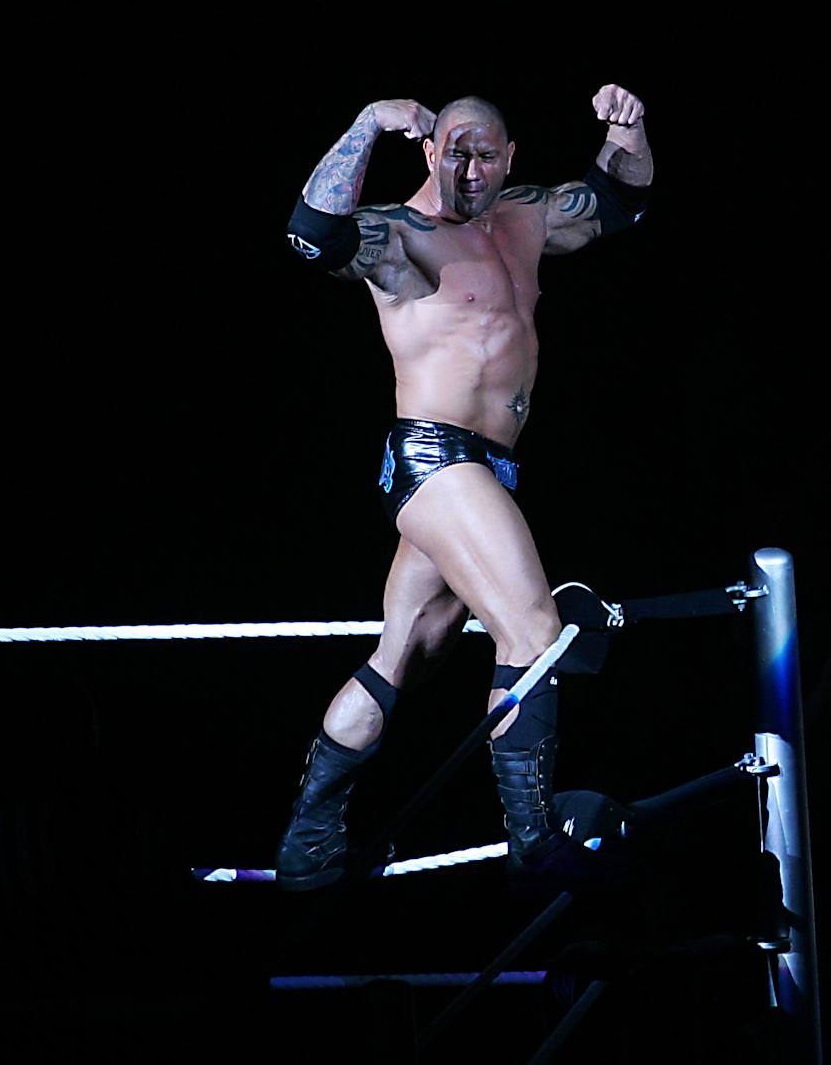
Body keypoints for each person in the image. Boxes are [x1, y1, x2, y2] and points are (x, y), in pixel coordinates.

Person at [274, 87, 654, 890]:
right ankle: (533, 841)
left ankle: (309, 842)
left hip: (486, 464)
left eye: (485, 155)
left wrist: (631, 127)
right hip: (436, 459)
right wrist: (366, 122)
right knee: (535, 632)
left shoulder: (525, 217)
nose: (469, 170)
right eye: (454, 151)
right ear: (430, 150)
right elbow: (311, 234)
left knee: (402, 654)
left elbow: (620, 199)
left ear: (509, 158)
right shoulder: (401, 235)